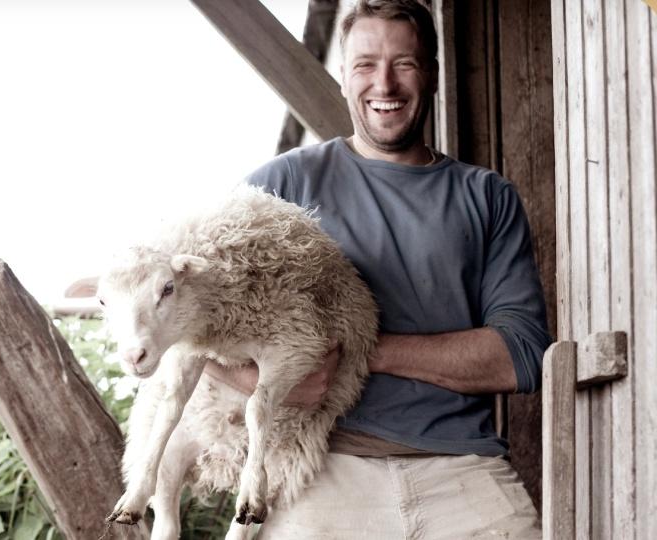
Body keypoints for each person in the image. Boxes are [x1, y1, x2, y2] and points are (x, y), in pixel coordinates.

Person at [204, 1, 550, 538]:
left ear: (431, 73)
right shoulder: (284, 185)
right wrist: (267, 382)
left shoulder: (486, 196)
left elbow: (520, 358)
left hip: (461, 468)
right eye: (365, 64)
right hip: (321, 470)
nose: (383, 82)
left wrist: (363, 350)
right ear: (343, 77)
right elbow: (190, 319)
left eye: (404, 63)